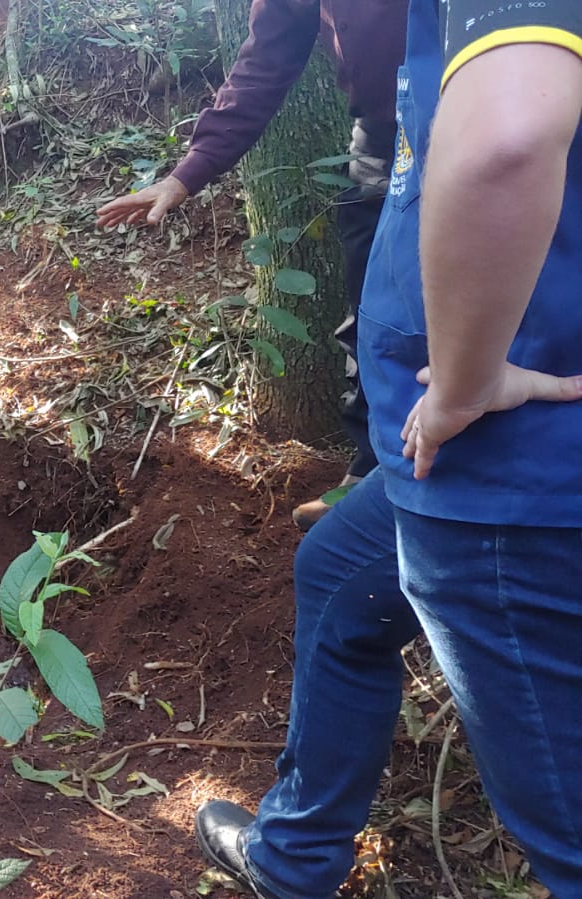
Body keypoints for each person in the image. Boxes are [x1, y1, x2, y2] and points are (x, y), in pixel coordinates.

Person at [194, 2, 582, 896]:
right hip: (448, 462)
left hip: (504, 471)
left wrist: (460, 382)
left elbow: (503, 142)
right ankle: (293, 858)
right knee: (337, 573)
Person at [96, 0, 407, 531]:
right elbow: (265, 60)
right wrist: (186, 175)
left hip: (486, 121)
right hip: (382, 142)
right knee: (373, 316)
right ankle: (373, 475)